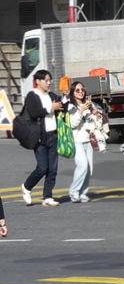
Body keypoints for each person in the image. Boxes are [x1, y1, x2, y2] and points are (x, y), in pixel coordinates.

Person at [20, 70, 64, 207]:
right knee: (42, 168)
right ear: (38, 81)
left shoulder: (51, 95)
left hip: (53, 135)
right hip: (40, 137)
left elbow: (62, 107)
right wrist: (51, 108)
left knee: (53, 169)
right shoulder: (32, 96)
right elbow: (35, 112)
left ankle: (48, 196)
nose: (49, 83)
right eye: (46, 80)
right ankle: (27, 187)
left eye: (50, 80)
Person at [65, 80, 108, 203]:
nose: (80, 92)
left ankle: (83, 192)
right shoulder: (70, 106)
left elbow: (99, 122)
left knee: (89, 168)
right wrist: (81, 110)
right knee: (82, 165)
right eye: (77, 90)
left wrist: (96, 114)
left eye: (82, 89)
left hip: (88, 140)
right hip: (76, 140)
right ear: (73, 92)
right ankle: (74, 192)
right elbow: (72, 124)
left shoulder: (90, 104)